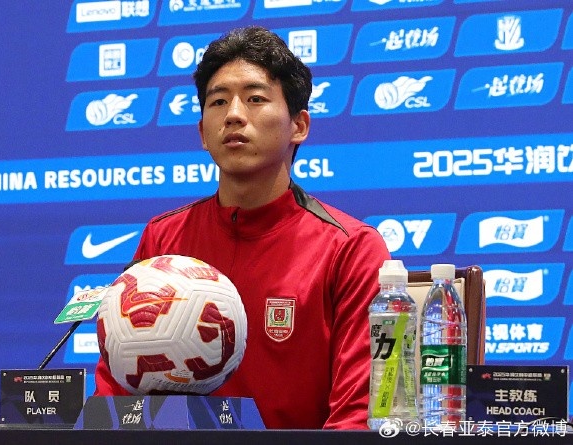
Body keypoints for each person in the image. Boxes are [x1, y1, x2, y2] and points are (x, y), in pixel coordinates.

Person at [94, 26, 391, 430]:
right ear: (203, 132)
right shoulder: (163, 238)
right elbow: (117, 390)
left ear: (299, 125)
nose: (233, 114)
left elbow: (358, 413)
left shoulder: (350, 248)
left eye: (255, 99)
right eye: (218, 101)